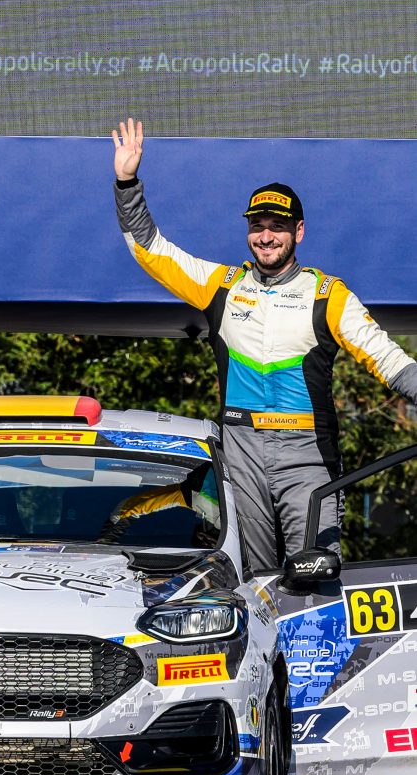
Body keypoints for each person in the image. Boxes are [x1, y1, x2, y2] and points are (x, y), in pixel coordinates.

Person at [112, 118, 417, 568]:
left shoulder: (328, 294)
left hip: (307, 455)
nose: (266, 236)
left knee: (315, 574)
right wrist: (127, 183)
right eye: (258, 225)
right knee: (256, 580)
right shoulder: (221, 284)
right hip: (241, 450)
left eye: (278, 225)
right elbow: (151, 250)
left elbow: (387, 359)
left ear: (299, 232)